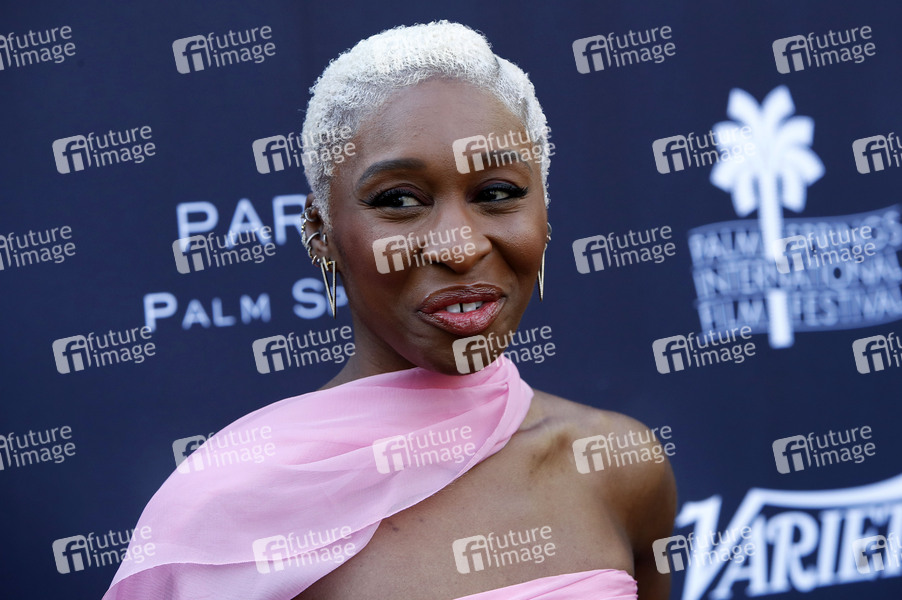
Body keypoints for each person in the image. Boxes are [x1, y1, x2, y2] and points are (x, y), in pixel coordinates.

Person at [104, 20, 675, 600]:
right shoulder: (221, 514)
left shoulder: (616, 464)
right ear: (321, 232)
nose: (459, 247)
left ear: (545, 216)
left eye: (497, 193)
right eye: (399, 200)